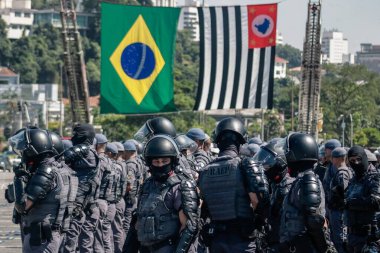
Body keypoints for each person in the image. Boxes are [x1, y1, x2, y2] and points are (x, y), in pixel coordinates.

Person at [198, 117, 269, 253]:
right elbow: (257, 200)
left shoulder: (205, 171)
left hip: (216, 239)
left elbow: (203, 206)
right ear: (241, 142)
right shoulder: (243, 165)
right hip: (242, 239)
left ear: (218, 142)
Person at [8, 126, 77, 253]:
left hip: (41, 237)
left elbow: (22, 206)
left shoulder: (46, 171)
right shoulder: (60, 169)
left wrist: (19, 178)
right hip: (48, 234)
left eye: (25, 149)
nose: (23, 153)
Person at [136, 135, 199, 253]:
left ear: (172, 160)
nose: (160, 165)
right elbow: (137, 221)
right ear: (150, 162)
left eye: (164, 161)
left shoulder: (179, 186)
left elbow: (189, 226)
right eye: (156, 161)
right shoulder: (147, 185)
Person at [279, 132, 336, 253]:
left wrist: (324, 249)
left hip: (304, 247)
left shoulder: (309, 180)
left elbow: (314, 221)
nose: (286, 157)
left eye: (289, 153)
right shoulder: (300, 180)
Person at [63, 123, 101, 253]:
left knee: (70, 241)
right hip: (83, 201)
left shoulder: (84, 151)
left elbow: (61, 160)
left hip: (77, 203)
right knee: (84, 242)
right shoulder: (89, 151)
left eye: (75, 134)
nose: (73, 137)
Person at [253, 140, 295, 252]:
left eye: (267, 164)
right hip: (272, 240)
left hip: (282, 243)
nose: (263, 167)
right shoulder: (274, 184)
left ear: (279, 164)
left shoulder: (287, 187)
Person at [344, 146, 380, 253]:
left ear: (364, 158)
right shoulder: (353, 180)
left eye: (358, 159)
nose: (356, 163)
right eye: (352, 161)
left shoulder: (375, 178)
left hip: (369, 237)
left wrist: (351, 202)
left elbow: (376, 202)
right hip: (352, 236)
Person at [327, 147, 353, 253]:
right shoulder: (346, 171)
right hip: (338, 210)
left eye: (333, 158)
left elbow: (344, 190)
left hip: (339, 211)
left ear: (337, 158)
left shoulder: (342, 172)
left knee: (339, 240)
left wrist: (334, 190)